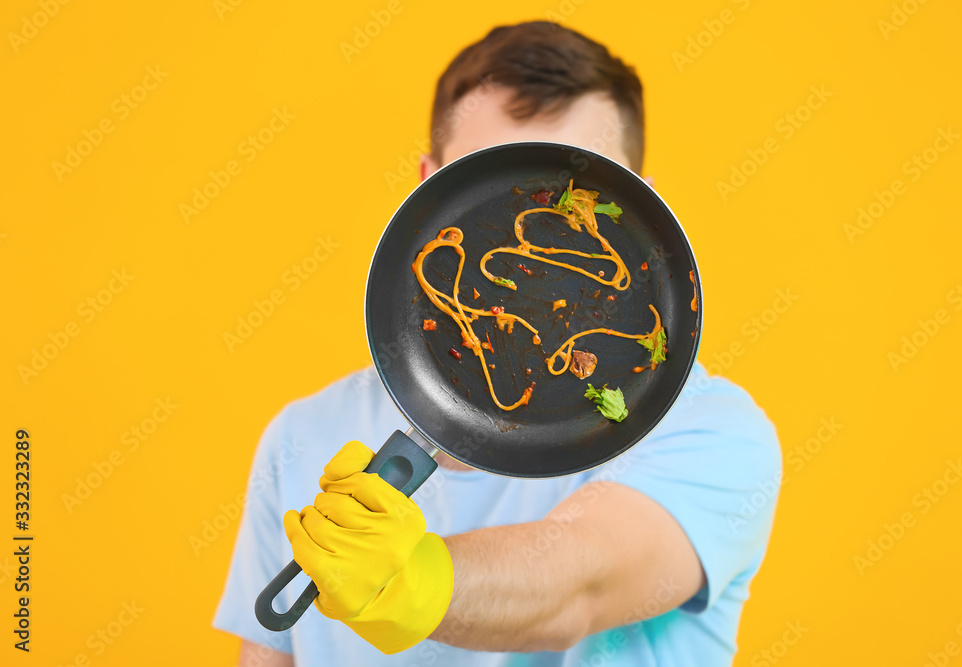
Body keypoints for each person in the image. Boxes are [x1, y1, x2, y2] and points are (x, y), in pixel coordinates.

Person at [213, 21, 782, 667]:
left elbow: (581, 583)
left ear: (638, 202)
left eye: (577, 192)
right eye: (492, 177)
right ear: (430, 187)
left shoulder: (715, 432)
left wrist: (416, 582)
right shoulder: (304, 437)